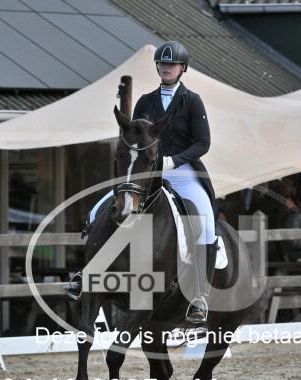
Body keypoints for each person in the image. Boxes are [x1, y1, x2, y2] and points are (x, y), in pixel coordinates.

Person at [67, 40, 219, 323]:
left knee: (206, 222)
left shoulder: (192, 101)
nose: (167, 68)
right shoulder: (145, 101)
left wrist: (173, 160)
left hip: (181, 171)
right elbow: (134, 138)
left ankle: (199, 295)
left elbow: (203, 142)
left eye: (172, 64)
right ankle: (86, 275)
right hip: (146, 171)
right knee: (99, 209)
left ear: (182, 68)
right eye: (163, 63)